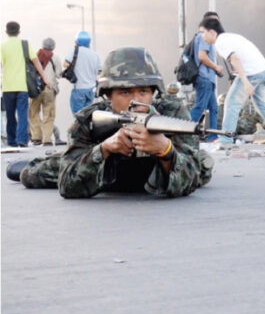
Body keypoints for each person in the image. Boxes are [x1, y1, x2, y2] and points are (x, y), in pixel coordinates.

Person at [17, 46, 212, 198]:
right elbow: (67, 186)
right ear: (108, 95)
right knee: (28, 174)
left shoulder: (173, 113)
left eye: (143, 92)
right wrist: (105, 149)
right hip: (104, 175)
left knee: (203, 165)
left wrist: (166, 151)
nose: (136, 101)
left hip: (151, 173)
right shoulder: (89, 119)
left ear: (154, 92)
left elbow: (190, 181)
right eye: (125, 92)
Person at [199, 18, 265, 147]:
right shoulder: (230, 36)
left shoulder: (220, 42)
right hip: (263, 70)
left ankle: (226, 140)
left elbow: (235, 58)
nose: (202, 36)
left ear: (212, 32)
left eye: (203, 32)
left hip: (251, 74)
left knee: (231, 103)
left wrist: (245, 82)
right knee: (262, 104)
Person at [1, 21, 49, 147]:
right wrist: (44, 77)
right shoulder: (25, 45)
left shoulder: (3, 46)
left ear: (6, 32)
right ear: (19, 31)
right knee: (23, 114)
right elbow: (36, 61)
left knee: (10, 115)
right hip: (22, 86)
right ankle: (22, 139)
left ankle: (12, 140)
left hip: (7, 87)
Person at [189, 11, 224, 142]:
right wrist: (216, 67)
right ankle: (184, 134)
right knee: (199, 107)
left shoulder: (201, 36)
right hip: (204, 78)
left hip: (207, 78)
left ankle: (213, 137)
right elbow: (202, 56)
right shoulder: (204, 37)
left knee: (213, 109)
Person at [29, 37, 63, 146]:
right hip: (49, 88)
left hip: (36, 89)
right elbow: (58, 74)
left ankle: (36, 137)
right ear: (53, 47)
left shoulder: (35, 55)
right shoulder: (56, 57)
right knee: (48, 114)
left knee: (33, 112)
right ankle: (47, 139)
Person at [64, 30, 102, 115]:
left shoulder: (76, 51)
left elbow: (65, 64)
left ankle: (80, 128)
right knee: (87, 115)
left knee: (78, 115)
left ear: (77, 41)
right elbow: (100, 71)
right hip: (91, 89)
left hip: (79, 89)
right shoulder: (95, 54)